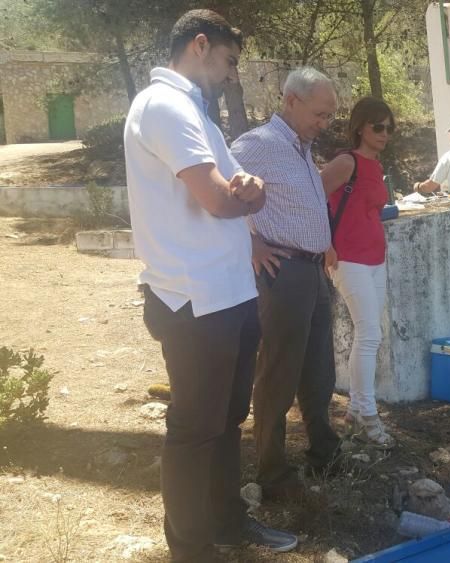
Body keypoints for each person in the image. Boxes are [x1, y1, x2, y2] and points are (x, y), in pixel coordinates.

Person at [124, 9, 297, 560]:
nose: (230, 74)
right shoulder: (165, 106)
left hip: (229, 292)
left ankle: (225, 521)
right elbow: (221, 200)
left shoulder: (201, 116)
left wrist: (251, 189)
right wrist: (244, 192)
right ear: (199, 46)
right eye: (228, 61)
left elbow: (250, 199)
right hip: (194, 298)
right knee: (196, 429)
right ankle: (190, 549)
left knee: (226, 421)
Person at [230, 67, 341, 500]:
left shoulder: (300, 148)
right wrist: (251, 241)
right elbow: (218, 192)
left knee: (318, 370)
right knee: (278, 374)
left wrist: (325, 244)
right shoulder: (258, 145)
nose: (325, 123)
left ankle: (323, 452)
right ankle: (272, 472)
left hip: (313, 271)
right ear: (291, 101)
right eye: (319, 114)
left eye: (330, 116)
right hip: (283, 274)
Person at [320, 97, 397, 448]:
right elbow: (311, 198)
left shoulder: (375, 165)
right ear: (360, 127)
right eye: (378, 126)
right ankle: (367, 415)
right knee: (368, 334)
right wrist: (325, 244)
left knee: (371, 333)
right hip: (347, 258)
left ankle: (354, 410)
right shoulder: (346, 162)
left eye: (389, 128)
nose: (384, 133)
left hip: (374, 258)